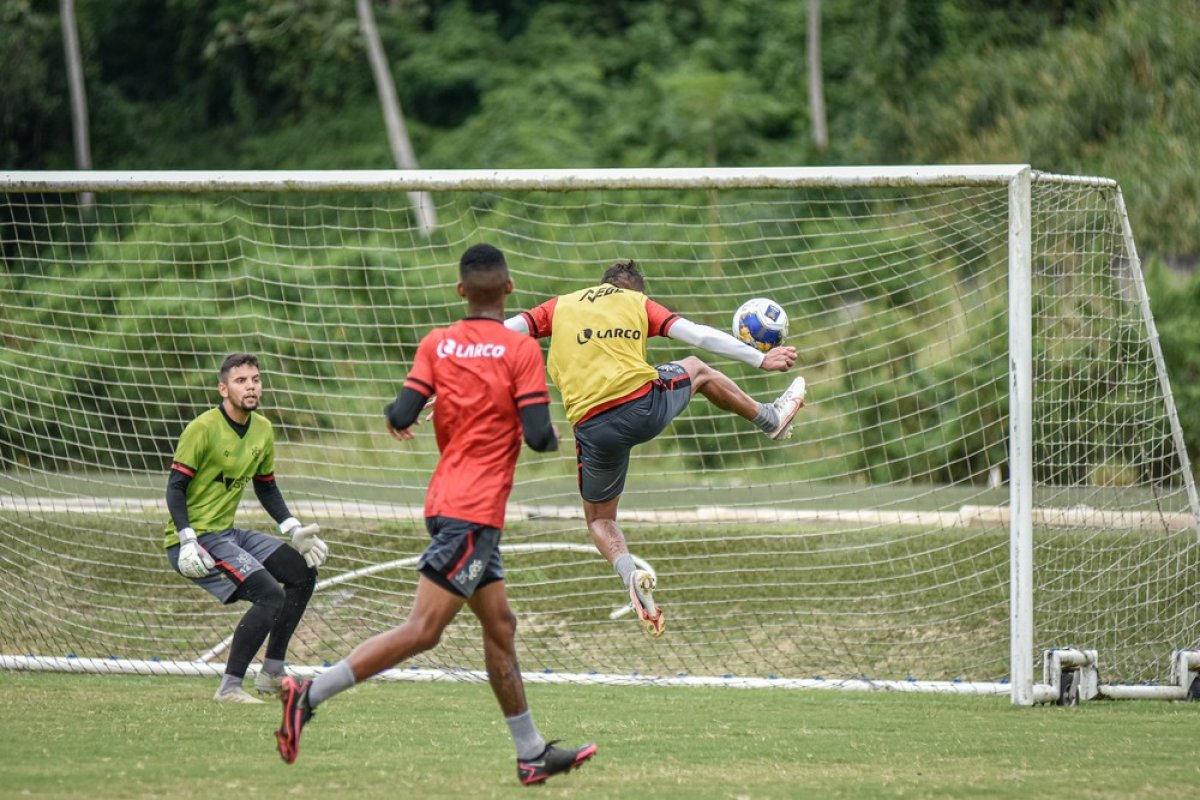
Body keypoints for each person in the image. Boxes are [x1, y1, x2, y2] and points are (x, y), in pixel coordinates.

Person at [275, 244, 596, 787]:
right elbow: (540, 437)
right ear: (510, 289)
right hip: (473, 515)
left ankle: (531, 753)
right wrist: (551, 430)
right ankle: (310, 693)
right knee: (423, 630)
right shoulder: (520, 351)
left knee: (501, 628)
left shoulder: (437, 343)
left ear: (460, 290)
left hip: (447, 503)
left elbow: (402, 413)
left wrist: (416, 411)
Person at [504, 259, 805, 638]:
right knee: (696, 367)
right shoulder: (636, 303)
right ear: (636, 290)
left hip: (593, 429)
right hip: (641, 406)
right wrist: (761, 358)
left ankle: (628, 575)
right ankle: (770, 418)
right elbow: (697, 335)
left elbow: (498, 334)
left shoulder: (559, 305)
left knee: (599, 520)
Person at [164, 352, 328, 703]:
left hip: (229, 532)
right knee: (270, 595)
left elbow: (266, 485)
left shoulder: (263, 429)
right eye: (241, 381)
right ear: (223, 389)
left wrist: (292, 528)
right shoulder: (202, 428)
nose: (251, 386)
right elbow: (175, 487)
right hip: (197, 538)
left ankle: (271, 673)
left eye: (255, 379)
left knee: (302, 572)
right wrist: (187, 538)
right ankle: (230, 687)